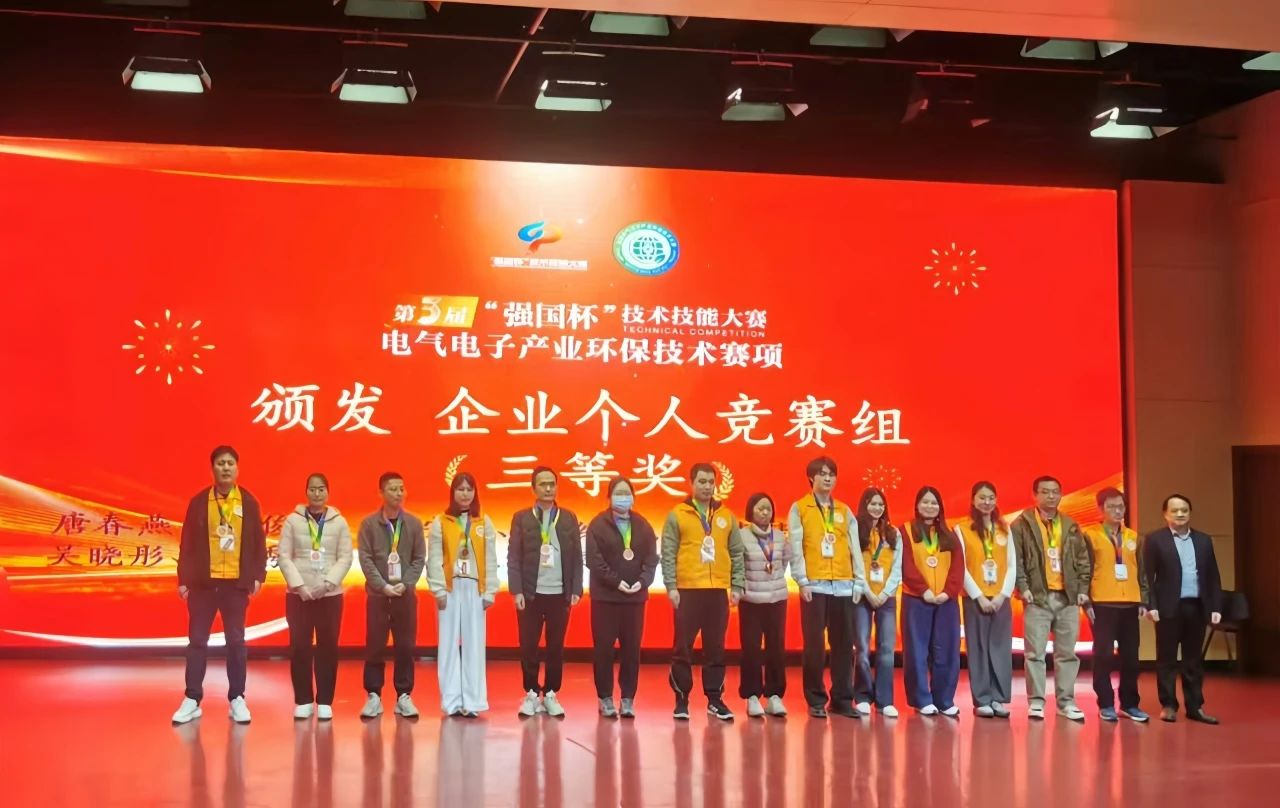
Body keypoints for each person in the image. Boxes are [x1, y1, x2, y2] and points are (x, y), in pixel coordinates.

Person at [172, 445, 268, 725]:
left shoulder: (248, 502)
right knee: (197, 641)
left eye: (230, 463)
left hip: (235, 586)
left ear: (237, 469)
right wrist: (184, 579)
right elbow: (187, 542)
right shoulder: (199, 502)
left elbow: (258, 542)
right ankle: (192, 699)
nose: (225, 468)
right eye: (220, 463)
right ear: (212, 468)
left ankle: (237, 698)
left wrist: (258, 575)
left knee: (236, 642)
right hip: (203, 585)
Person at [663, 462, 745, 721]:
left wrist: (737, 585)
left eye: (711, 482)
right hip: (687, 591)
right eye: (702, 481)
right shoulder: (677, 514)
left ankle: (714, 699)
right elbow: (668, 552)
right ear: (691, 483)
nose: (707, 486)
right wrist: (671, 586)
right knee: (682, 648)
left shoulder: (726, 516)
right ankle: (681, 699)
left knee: (716, 649)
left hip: (717, 591)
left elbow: (736, 553)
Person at [788, 456, 865, 719]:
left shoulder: (843, 510)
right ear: (811, 477)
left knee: (844, 645)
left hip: (843, 585)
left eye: (831, 473)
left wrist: (859, 580)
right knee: (814, 646)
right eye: (822, 473)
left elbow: (854, 547)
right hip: (815, 585)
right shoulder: (800, 508)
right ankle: (816, 699)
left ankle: (842, 700)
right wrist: (801, 580)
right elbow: (796, 546)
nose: (828, 478)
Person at [1012, 475, 1090, 722]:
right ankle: (1036, 702)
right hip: (1038, 597)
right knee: (1034, 654)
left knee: (1067, 654)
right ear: (1034, 495)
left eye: (1055, 491)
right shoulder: (1021, 524)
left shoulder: (1070, 524)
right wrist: (1022, 587)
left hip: (1067, 597)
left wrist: (1083, 588)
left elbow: (1082, 559)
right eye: (1045, 492)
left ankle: (1066, 702)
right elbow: (1017, 560)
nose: (1051, 496)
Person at [278, 473, 354, 721]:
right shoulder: (292, 521)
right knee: (300, 647)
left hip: (329, 595)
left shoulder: (339, 522)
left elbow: (345, 557)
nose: (317, 494)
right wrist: (299, 586)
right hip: (299, 596)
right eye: (312, 489)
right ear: (306, 492)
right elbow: (284, 556)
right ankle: (303, 700)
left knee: (328, 647)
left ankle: (324, 701)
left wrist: (328, 583)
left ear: (328, 492)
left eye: (321, 489)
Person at [508, 466, 583, 718]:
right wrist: (516, 589)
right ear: (533, 488)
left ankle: (551, 693)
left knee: (555, 647)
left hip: (560, 593)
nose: (548, 488)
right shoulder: (522, 518)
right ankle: (531, 693)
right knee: (528, 646)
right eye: (543, 484)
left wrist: (576, 588)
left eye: (552, 484)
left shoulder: (568, 517)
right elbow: (513, 556)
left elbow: (577, 556)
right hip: (530, 593)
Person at [1144, 494, 1223, 724]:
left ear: (1190, 513)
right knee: (1166, 659)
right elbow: (1148, 576)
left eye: (1184, 510)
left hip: (1196, 606)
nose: (1180, 514)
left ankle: (1195, 706)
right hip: (1168, 607)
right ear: (1165, 514)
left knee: (1193, 660)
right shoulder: (1155, 540)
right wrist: (1151, 605)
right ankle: (1168, 705)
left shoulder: (1204, 540)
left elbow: (1213, 576)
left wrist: (1215, 606)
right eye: (1175, 510)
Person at [586, 478, 659, 718]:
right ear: (609, 497)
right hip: (605, 599)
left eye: (627, 493)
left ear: (633, 497)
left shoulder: (643, 525)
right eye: (618, 493)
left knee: (631, 651)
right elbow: (594, 561)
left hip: (635, 600)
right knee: (603, 650)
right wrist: (616, 582)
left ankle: (628, 698)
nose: (623, 497)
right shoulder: (598, 525)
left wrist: (643, 581)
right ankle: (605, 697)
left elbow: (651, 558)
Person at [427, 472, 498, 717]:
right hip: (450, 588)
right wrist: (438, 589)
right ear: (453, 493)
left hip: (475, 588)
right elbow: (434, 559)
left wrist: (490, 591)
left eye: (469, 489)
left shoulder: (484, 522)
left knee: (474, 646)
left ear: (475, 493)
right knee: (447, 646)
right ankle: (451, 701)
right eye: (460, 489)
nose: (465, 494)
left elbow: (491, 559)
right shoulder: (441, 522)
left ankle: (473, 701)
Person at [357, 472, 427, 720]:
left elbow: (419, 559)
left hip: (405, 596)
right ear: (381, 492)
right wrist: (382, 586)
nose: (398, 493)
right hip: (378, 596)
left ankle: (403, 696)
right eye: (393, 489)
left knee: (405, 646)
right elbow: (365, 559)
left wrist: (406, 584)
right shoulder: (368, 524)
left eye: (401, 488)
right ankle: (373, 695)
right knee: (375, 646)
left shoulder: (414, 524)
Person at [1083, 487, 1150, 723]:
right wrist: (1086, 600)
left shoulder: (1134, 537)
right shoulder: (1089, 536)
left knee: (1131, 657)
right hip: (1101, 603)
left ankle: (1130, 704)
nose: (1117, 511)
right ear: (1100, 509)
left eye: (1121, 506)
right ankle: (1106, 703)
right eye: (1111, 507)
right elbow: (1084, 569)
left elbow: (1142, 571)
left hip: (1130, 603)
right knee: (1103, 655)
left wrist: (1143, 599)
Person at [900, 486, 964, 718]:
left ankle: (944, 700)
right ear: (917, 506)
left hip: (946, 601)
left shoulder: (949, 533)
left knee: (947, 650)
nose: (930, 506)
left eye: (934, 502)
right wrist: (924, 590)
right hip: (916, 599)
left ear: (940, 507)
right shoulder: (905, 531)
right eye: (925, 502)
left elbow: (958, 566)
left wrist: (948, 592)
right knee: (916, 651)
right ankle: (921, 699)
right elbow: (906, 564)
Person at [957, 481, 1016, 719]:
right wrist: (978, 596)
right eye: (982, 497)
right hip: (975, 599)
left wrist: (1003, 595)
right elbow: (961, 567)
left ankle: (998, 698)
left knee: (1000, 648)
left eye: (991, 497)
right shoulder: (962, 529)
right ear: (973, 500)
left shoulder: (1004, 528)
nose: (987, 502)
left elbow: (1012, 565)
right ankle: (982, 698)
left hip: (1001, 598)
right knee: (978, 648)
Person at [738, 491, 791, 718]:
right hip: (751, 600)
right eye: (760, 508)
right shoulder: (741, 535)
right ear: (751, 511)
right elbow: (738, 565)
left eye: (768, 508)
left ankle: (774, 696)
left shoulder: (779, 536)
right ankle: (752, 696)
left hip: (776, 599)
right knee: (751, 649)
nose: (765, 512)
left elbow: (784, 561)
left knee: (776, 648)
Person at [853, 487, 902, 718]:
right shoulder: (855, 532)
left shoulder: (893, 534)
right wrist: (867, 591)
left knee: (886, 649)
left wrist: (884, 593)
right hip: (861, 596)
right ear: (864, 505)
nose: (877, 508)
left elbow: (897, 568)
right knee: (862, 648)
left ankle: (885, 701)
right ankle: (863, 696)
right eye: (872, 503)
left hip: (886, 598)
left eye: (881, 504)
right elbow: (854, 564)